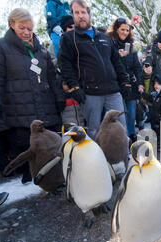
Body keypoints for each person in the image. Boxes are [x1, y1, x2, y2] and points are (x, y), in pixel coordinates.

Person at [0, 8, 64, 184]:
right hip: (19, 113)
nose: (27, 32)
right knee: (27, 152)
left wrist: (59, 99)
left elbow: (52, 76)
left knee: (50, 149)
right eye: (22, 28)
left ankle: (53, 179)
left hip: (45, 108)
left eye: (30, 28)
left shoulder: (40, 49)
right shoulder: (2, 48)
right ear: (12, 25)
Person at [58, 0, 131, 139]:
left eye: (83, 12)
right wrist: (74, 87)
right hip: (90, 93)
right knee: (94, 132)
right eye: (76, 13)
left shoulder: (105, 37)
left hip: (113, 91)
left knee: (121, 129)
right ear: (72, 15)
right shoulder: (68, 38)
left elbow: (116, 61)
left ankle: (124, 157)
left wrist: (125, 82)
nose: (81, 16)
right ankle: (95, 160)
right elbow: (65, 65)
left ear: (89, 14)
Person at [107, 17, 144, 142]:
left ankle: (131, 138)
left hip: (131, 86)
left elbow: (137, 67)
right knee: (119, 114)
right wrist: (118, 55)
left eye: (127, 30)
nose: (124, 32)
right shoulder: (110, 44)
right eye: (122, 29)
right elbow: (108, 63)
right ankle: (121, 138)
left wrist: (140, 83)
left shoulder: (131, 46)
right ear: (116, 29)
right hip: (117, 85)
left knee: (131, 115)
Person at [142, 74, 161, 138]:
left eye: (158, 84)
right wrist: (142, 93)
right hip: (157, 121)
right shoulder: (156, 94)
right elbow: (149, 97)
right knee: (157, 136)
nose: (156, 86)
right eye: (155, 84)